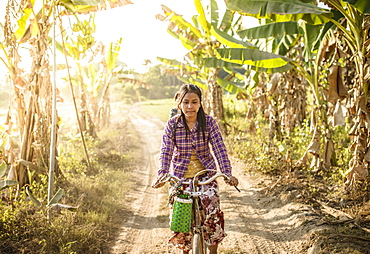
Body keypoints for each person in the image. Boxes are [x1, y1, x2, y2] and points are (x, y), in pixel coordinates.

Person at [152, 84, 239, 254]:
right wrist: (162, 175)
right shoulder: (172, 124)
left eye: (194, 102)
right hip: (180, 178)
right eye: (186, 102)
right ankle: (186, 250)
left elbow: (219, 149)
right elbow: (166, 151)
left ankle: (213, 251)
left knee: (212, 211)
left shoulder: (209, 123)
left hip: (206, 176)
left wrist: (227, 173)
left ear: (200, 103)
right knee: (181, 220)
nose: (190, 106)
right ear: (180, 104)